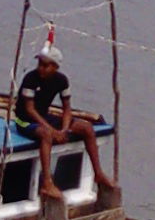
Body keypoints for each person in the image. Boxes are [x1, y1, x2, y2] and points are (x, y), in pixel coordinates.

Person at [14, 32, 119, 210]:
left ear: (55, 67)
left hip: (44, 116)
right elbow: (29, 110)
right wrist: (52, 131)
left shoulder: (62, 81)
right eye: (40, 64)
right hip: (25, 120)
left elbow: (67, 108)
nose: (41, 68)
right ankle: (47, 182)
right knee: (46, 135)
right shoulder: (30, 79)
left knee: (86, 128)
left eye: (46, 65)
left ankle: (98, 173)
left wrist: (63, 129)